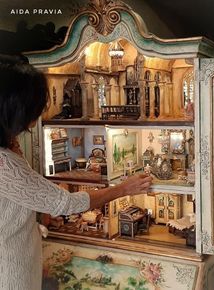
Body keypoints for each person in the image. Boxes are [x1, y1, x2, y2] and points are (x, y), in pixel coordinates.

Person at [0, 56, 152, 290]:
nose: (35, 120)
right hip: (10, 272)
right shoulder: (4, 164)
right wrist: (124, 188)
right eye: (34, 111)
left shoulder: (8, 151)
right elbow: (64, 202)